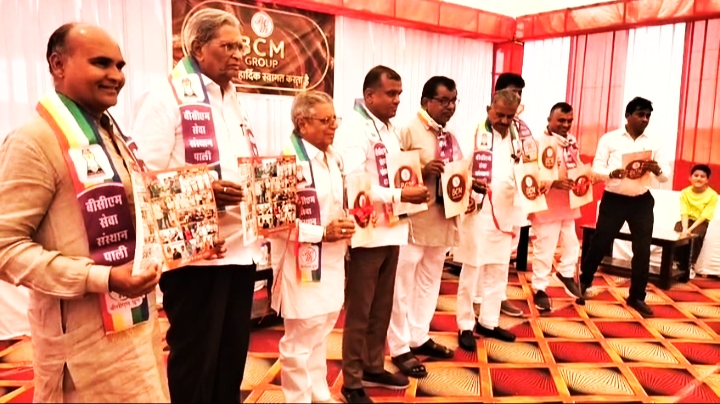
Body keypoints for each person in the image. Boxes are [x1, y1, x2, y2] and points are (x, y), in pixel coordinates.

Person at [0, 23, 168, 402]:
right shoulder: (34, 140)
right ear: (58, 65)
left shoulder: (111, 134)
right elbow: (5, 248)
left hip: (136, 333)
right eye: (101, 63)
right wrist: (100, 277)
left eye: (120, 66)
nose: (116, 76)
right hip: (83, 353)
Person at [130, 8, 258, 403]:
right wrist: (203, 192)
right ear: (198, 48)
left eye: (241, 46)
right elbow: (142, 180)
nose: (239, 54)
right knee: (195, 361)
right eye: (228, 46)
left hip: (242, 251)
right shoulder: (164, 98)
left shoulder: (233, 99)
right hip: (196, 260)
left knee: (231, 358)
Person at [334, 66, 429, 403]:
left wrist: (410, 188)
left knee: (382, 307)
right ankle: (351, 381)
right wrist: (401, 195)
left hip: (393, 229)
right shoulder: (354, 129)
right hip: (367, 233)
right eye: (391, 94)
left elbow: (394, 174)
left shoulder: (390, 129)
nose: (397, 100)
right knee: (360, 310)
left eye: (399, 94)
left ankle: (373, 365)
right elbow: (353, 184)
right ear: (369, 95)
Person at [270, 90, 355, 403]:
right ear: (302, 123)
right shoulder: (285, 162)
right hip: (301, 263)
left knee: (321, 330)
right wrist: (322, 233)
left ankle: (318, 393)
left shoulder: (333, 158)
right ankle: (298, 399)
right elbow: (276, 223)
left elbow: (335, 207)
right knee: (300, 339)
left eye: (335, 119)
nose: (334, 126)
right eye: (325, 120)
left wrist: (348, 222)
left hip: (332, 260)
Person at [388, 76, 463, 378]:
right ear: (425, 102)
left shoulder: (450, 137)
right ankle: (398, 346)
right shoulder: (407, 130)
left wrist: (468, 188)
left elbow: (458, 173)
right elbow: (391, 171)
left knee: (430, 282)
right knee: (401, 286)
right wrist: (422, 169)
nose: (450, 106)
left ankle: (419, 336)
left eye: (453, 101)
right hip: (413, 222)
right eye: (443, 100)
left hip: (442, 219)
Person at [580, 97, 670, 318]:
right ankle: (583, 283)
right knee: (600, 243)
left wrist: (657, 169)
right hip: (614, 199)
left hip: (642, 201)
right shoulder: (610, 139)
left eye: (648, 115)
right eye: (640, 114)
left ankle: (637, 296)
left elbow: (665, 176)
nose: (645, 119)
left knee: (642, 250)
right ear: (628, 116)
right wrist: (610, 173)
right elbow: (596, 169)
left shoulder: (655, 142)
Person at [455, 89, 526, 351]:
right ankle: (464, 324)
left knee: (498, 269)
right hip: (478, 212)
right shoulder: (474, 133)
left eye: (510, 116)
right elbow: (458, 170)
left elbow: (526, 168)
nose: (504, 121)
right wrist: (469, 184)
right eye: (500, 115)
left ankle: (489, 321)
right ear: (489, 109)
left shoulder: (519, 137)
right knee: (472, 270)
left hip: (506, 212)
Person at [471, 73, 533, 318]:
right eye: (512, 91)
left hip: (511, 203)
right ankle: (476, 299)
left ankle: (497, 299)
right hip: (484, 205)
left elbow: (528, 162)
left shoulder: (519, 129)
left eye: (519, 93)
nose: (516, 96)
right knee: (480, 254)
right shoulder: (481, 128)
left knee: (503, 255)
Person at [528, 102, 584, 312]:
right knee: (545, 248)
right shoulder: (538, 143)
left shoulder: (571, 142)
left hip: (567, 202)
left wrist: (584, 178)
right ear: (549, 120)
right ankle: (539, 288)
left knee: (572, 244)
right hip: (546, 204)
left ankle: (565, 273)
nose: (566, 125)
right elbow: (530, 174)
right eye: (561, 120)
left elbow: (576, 165)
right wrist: (554, 182)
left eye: (569, 121)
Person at [675, 164, 718, 275]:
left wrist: (690, 230)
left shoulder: (712, 195)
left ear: (707, 180)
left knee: (696, 235)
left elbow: (705, 215)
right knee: (677, 232)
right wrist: (685, 229)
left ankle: (690, 264)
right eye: (696, 175)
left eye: (702, 176)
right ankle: (676, 262)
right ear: (690, 178)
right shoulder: (685, 192)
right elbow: (684, 211)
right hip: (687, 220)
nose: (698, 178)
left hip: (701, 222)